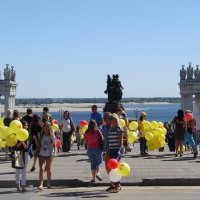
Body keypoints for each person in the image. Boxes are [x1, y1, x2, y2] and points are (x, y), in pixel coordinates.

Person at [106, 113, 123, 193]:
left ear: (115, 119)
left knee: (115, 168)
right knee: (110, 168)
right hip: (111, 150)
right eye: (109, 119)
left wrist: (119, 150)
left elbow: (121, 140)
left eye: (111, 119)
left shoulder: (119, 128)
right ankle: (112, 184)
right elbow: (109, 141)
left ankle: (118, 185)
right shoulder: (111, 128)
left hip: (117, 150)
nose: (110, 121)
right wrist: (107, 150)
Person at [38, 118, 55, 190]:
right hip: (41, 153)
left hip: (49, 154)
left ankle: (48, 183)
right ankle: (41, 184)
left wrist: (55, 152)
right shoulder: (41, 134)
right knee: (41, 169)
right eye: (45, 126)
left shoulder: (51, 135)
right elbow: (39, 144)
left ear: (49, 127)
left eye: (47, 126)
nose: (45, 127)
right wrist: (36, 140)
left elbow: (54, 144)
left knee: (48, 169)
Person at [12, 121, 29, 192]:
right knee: (18, 170)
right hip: (18, 153)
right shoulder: (16, 134)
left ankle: (23, 186)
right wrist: (22, 141)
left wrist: (26, 145)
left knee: (24, 170)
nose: (27, 126)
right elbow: (16, 146)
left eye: (27, 125)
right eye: (26, 125)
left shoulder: (26, 133)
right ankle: (18, 185)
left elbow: (27, 146)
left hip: (25, 153)